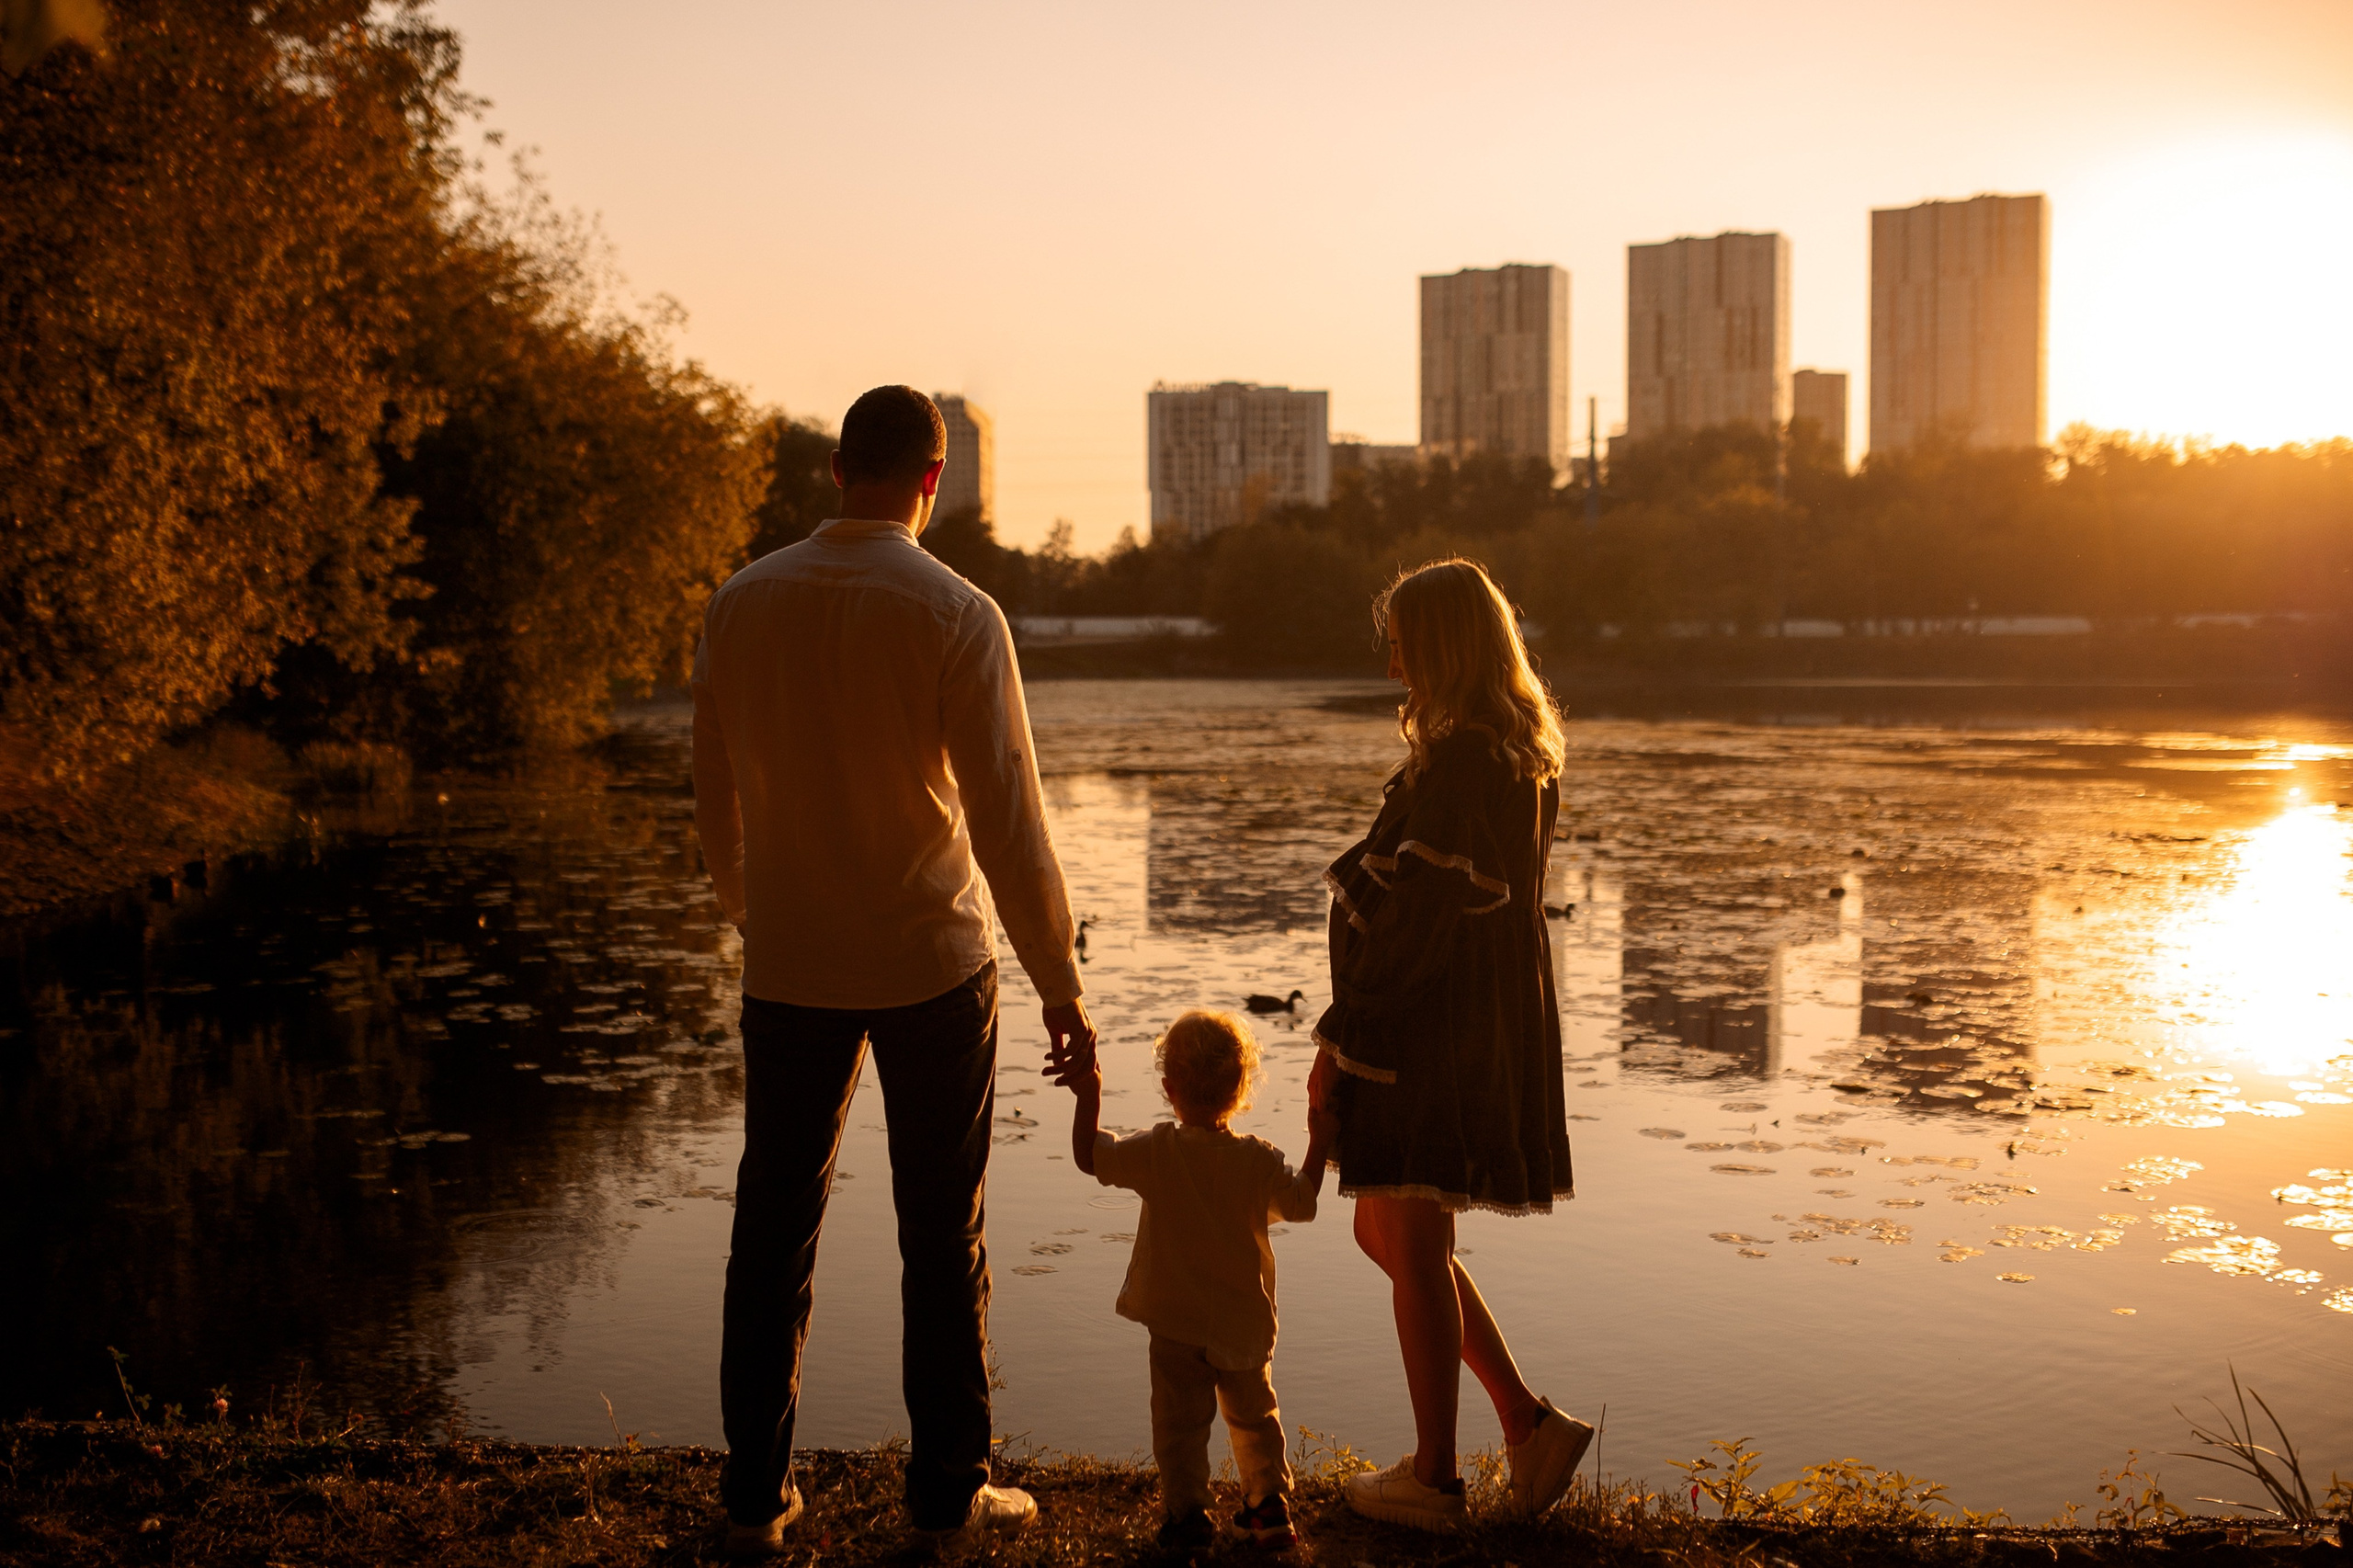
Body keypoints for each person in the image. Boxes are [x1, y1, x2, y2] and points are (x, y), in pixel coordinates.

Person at [692, 385, 1095, 1557]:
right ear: (932, 478)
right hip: (931, 963)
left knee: (771, 1226)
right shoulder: (956, 610)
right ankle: (945, 1497)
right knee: (942, 1229)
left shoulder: (739, 601)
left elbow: (714, 794)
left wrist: (753, 914)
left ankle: (754, 1499)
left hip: (792, 960)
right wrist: (1060, 983)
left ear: (832, 468)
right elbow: (1011, 820)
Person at [1305, 557, 1593, 1532]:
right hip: (1464, 1021)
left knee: (1411, 1237)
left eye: (1401, 645)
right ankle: (1526, 1422)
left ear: (1441, 647)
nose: (1393, 667)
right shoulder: (1499, 752)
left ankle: (1432, 1479)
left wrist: (1343, 1040)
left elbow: (1420, 925)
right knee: (1386, 1229)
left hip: (1429, 1030)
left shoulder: (1469, 761)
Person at [1053, 1009, 1335, 1552]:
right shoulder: (1257, 1160)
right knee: (1255, 1416)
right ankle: (1267, 1506)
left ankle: (1188, 1516)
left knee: (1179, 1427)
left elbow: (1091, 1157)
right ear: (1241, 1089)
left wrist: (1090, 1093)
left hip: (1176, 1322)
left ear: (1168, 1087)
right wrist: (1319, 1138)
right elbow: (1303, 1203)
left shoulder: (1157, 1151)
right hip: (1243, 1320)